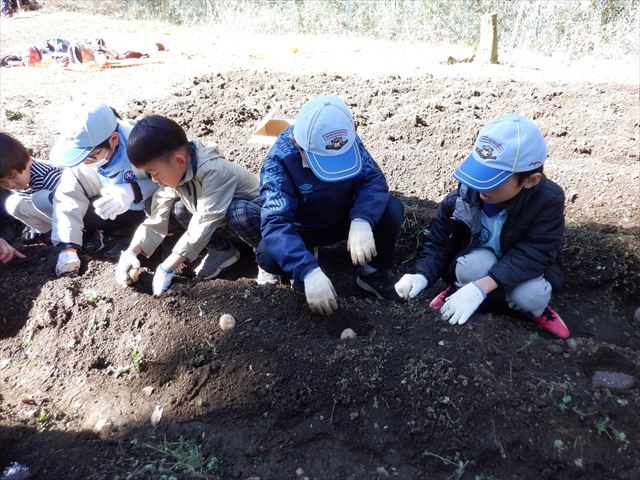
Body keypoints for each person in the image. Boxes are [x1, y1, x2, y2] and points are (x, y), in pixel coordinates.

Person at [394, 113, 570, 338]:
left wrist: (481, 287)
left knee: (531, 296)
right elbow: (439, 246)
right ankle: (458, 289)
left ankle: (534, 310)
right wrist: (422, 276)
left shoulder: (547, 201)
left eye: (493, 181)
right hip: (479, 263)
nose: (480, 188)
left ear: (530, 180)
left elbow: (535, 253)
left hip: (523, 271)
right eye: (479, 174)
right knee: (472, 267)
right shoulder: (461, 199)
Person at [257, 95, 404, 315]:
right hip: (303, 228)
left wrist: (362, 218)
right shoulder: (279, 162)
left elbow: (372, 180)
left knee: (392, 209)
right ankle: (307, 259)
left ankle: (372, 274)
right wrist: (307, 270)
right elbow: (276, 222)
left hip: (343, 218)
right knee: (268, 254)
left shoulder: (345, 141)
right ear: (298, 144)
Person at [115, 115, 262, 296]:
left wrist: (167, 266)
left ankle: (266, 259)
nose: (154, 180)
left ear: (179, 161)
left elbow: (205, 219)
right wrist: (131, 251)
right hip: (227, 225)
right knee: (178, 208)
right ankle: (223, 251)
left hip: (262, 225)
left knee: (238, 212)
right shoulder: (179, 173)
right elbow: (158, 214)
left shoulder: (214, 171)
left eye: (155, 173)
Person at [50, 102, 158, 277]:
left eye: (92, 155)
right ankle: (120, 237)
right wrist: (67, 249)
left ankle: (155, 243)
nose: (85, 162)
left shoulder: (145, 144)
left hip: (152, 211)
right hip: (116, 212)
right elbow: (68, 199)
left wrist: (134, 190)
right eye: (80, 156)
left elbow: (171, 182)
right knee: (84, 209)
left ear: (114, 139)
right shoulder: (81, 161)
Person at [0, 132, 62, 244]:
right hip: (52, 212)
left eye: (12, 177)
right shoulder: (16, 176)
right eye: (2, 182)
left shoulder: (48, 176)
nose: (10, 184)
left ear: (28, 161)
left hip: (75, 211)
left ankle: (86, 233)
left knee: (41, 198)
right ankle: (49, 231)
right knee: (12, 203)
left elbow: (75, 202)